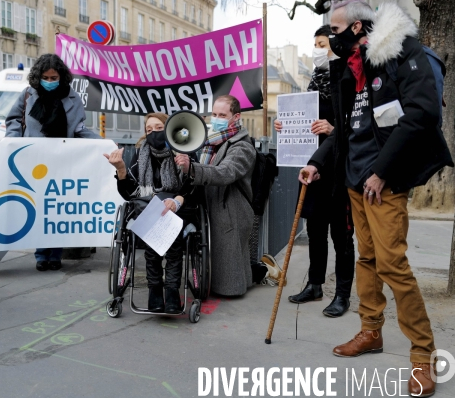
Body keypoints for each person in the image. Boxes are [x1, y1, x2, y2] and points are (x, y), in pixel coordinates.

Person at [299, 1, 453, 396]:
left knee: (392, 265)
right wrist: (318, 162)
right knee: (367, 260)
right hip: (355, 182)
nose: (329, 38)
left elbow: (421, 115)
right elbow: (344, 130)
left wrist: (382, 172)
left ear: (357, 27)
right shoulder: (350, 68)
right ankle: (371, 332)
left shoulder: (400, 52)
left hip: (384, 181)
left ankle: (423, 356)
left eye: (334, 30)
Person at [275, 25, 355, 318]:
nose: (317, 50)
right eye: (316, 44)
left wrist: (335, 129)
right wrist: (285, 125)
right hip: (313, 168)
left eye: (323, 44)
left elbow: (355, 125)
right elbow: (304, 120)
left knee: (342, 237)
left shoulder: (348, 79)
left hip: (339, 170)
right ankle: (316, 284)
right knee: (316, 231)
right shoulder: (316, 80)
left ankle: (343, 294)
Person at [5, 53, 101, 272]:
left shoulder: (73, 98)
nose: (49, 81)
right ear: (38, 77)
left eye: (54, 77)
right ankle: (41, 255)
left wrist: (103, 144)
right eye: (46, 77)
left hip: (61, 160)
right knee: (38, 206)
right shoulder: (28, 94)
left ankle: (56, 254)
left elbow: (79, 130)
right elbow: (13, 120)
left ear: (62, 77)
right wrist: (11, 143)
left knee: (57, 208)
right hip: (33, 159)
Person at [104, 113, 191, 313]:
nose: (154, 134)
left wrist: (177, 200)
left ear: (170, 129)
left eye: (159, 128)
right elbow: (130, 193)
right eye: (149, 130)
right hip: (149, 211)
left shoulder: (183, 152)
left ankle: (171, 291)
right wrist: (121, 170)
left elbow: (193, 186)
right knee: (153, 240)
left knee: (173, 243)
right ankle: (155, 290)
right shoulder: (141, 154)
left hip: (177, 209)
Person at [176, 95, 256, 297]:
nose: (216, 118)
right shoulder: (210, 141)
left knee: (229, 259)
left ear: (236, 117)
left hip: (231, 207)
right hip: (215, 203)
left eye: (222, 115)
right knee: (226, 257)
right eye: (214, 114)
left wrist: (192, 169)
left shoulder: (242, 146)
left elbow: (225, 172)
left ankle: (231, 288)